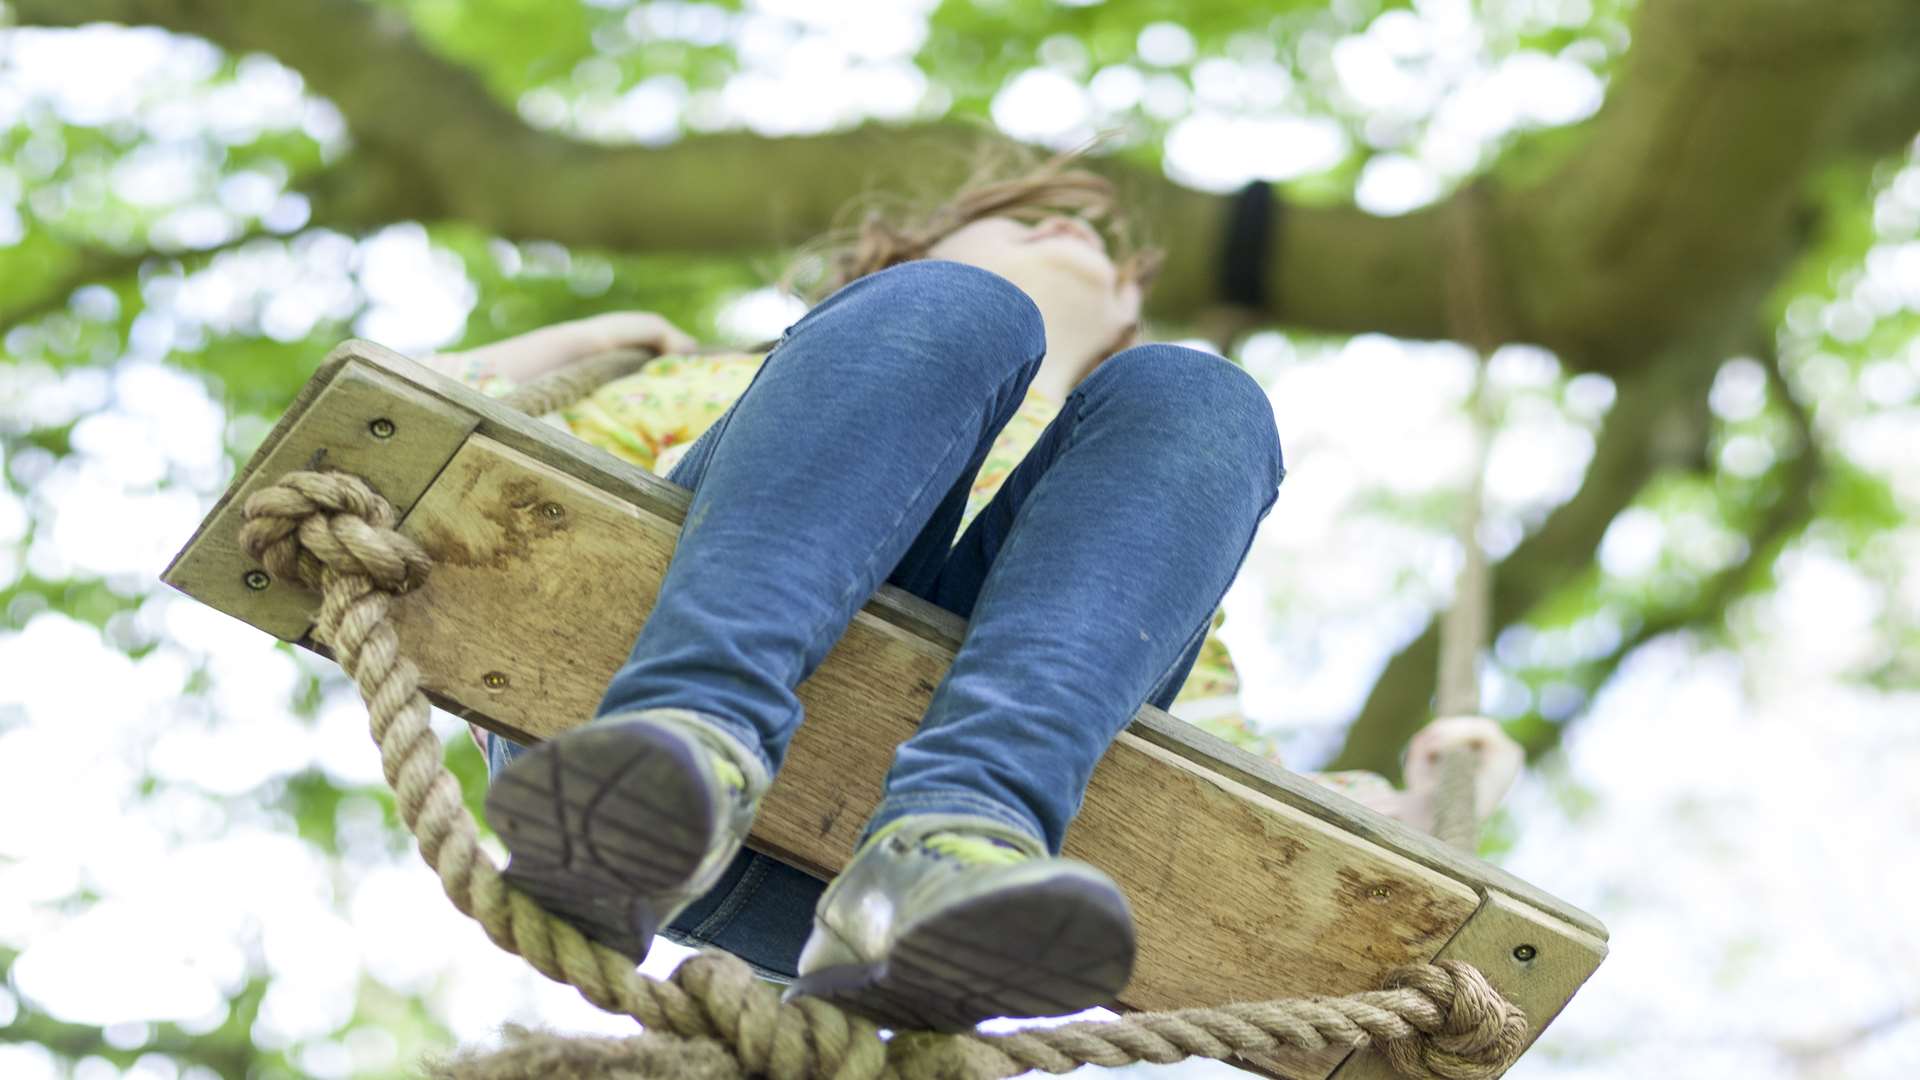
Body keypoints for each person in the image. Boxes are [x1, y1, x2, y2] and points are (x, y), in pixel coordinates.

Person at [424, 150, 1285, 1032]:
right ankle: (690, 734)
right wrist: (588, 341)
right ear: (886, 256)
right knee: (962, 309)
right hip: (606, 741)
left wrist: (1415, 802)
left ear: (1126, 313)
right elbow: (429, 441)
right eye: (1025, 219)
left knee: (1204, 400)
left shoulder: (1158, 534)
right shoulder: (715, 381)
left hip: (849, 898)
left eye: (1096, 242)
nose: (1067, 228)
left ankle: (957, 843)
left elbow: (1241, 774)